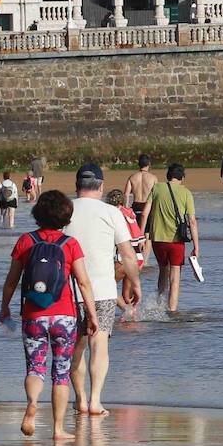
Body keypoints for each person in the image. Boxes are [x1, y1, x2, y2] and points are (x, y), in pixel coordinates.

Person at [0, 190, 99, 440]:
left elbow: (11, 281)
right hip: (65, 316)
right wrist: (93, 314)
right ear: (66, 217)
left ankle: (32, 403)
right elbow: (84, 283)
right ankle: (57, 429)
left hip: (33, 315)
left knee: (35, 367)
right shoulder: (70, 245)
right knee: (62, 372)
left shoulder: (26, 241)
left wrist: (4, 307)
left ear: (38, 214)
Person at [64, 164, 141, 418]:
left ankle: (80, 400)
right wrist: (135, 284)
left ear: (77, 186)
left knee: (76, 347)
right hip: (104, 292)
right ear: (101, 186)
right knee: (100, 345)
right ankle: (96, 401)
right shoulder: (111, 212)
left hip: (71, 292)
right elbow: (128, 255)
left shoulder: (65, 211)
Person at [139, 163, 199, 313]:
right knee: (175, 278)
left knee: (162, 271)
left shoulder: (157, 188)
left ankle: (159, 303)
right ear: (182, 177)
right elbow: (192, 221)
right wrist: (196, 246)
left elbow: (145, 213)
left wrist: (140, 237)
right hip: (176, 241)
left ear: (168, 176)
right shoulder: (186, 193)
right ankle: (171, 311)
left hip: (157, 239)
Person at [107, 188, 148, 321]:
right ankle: (132, 319)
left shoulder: (114, 214)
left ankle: (127, 310)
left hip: (124, 259)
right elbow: (141, 240)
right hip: (138, 259)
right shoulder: (130, 213)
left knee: (107, 284)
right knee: (126, 295)